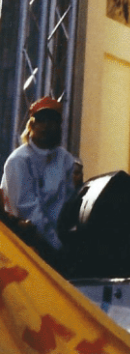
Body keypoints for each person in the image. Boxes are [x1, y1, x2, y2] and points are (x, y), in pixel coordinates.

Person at [1, 96, 76, 258]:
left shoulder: (65, 159)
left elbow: (70, 203)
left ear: (59, 126)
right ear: (32, 125)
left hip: (60, 245)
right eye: (41, 120)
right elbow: (27, 211)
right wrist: (57, 247)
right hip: (25, 246)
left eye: (52, 121)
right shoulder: (18, 161)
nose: (46, 126)